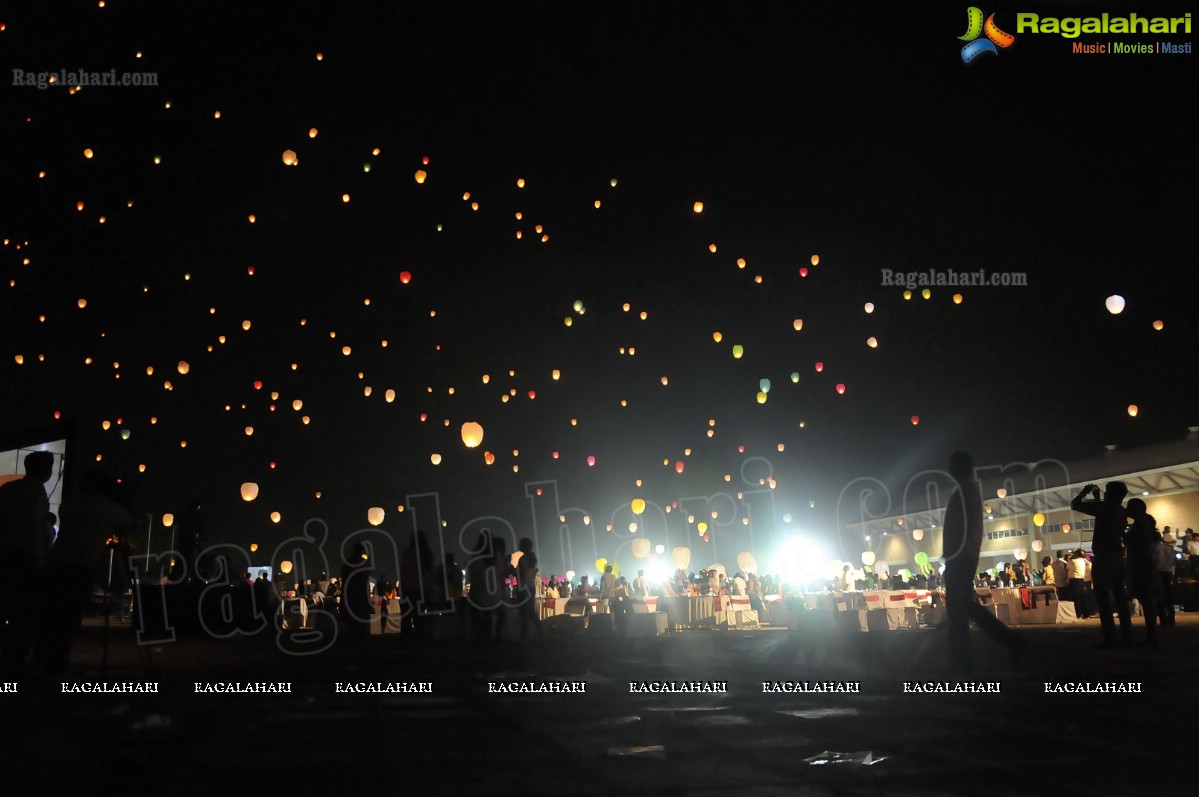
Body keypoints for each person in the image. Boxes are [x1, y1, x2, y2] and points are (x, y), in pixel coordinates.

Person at [942, 451, 1025, 672]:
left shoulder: (965, 491)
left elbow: (962, 528)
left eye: (952, 465)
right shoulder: (968, 490)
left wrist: (954, 555)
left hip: (960, 558)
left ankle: (962, 661)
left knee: (958, 610)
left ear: (960, 467)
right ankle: (1008, 643)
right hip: (963, 557)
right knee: (965, 608)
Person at [0, 450, 56, 678]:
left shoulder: (9, 489)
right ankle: (16, 661)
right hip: (23, 557)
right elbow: (33, 529)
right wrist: (41, 558)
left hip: (4, 554)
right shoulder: (35, 492)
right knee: (23, 611)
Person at [1071, 482, 1130, 646]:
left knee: (1103, 598)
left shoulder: (1105, 507)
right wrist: (1097, 498)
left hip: (1104, 556)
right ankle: (1127, 636)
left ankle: (1110, 637)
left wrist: (1085, 492)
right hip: (1117, 554)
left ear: (1111, 494)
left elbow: (1075, 504)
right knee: (1120, 596)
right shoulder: (1121, 510)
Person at [1124, 499, 1162, 647]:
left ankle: (1152, 635)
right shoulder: (1144, 522)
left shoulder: (1140, 524)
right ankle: (1151, 634)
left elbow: (1133, 542)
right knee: (1147, 601)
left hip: (1142, 565)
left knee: (1147, 600)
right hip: (1144, 564)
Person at [516, 537, 542, 641]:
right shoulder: (532, 559)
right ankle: (539, 632)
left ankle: (524, 636)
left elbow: (520, 575)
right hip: (531, 588)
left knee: (524, 614)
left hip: (524, 588)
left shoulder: (523, 559)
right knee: (530, 612)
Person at [1152, 530, 1176, 627]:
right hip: (1168, 571)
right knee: (1168, 595)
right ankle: (1171, 617)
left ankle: (1163, 619)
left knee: (1160, 596)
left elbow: (1159, 561)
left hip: (1160, 572)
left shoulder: (1156, 547)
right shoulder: (1167, 547)